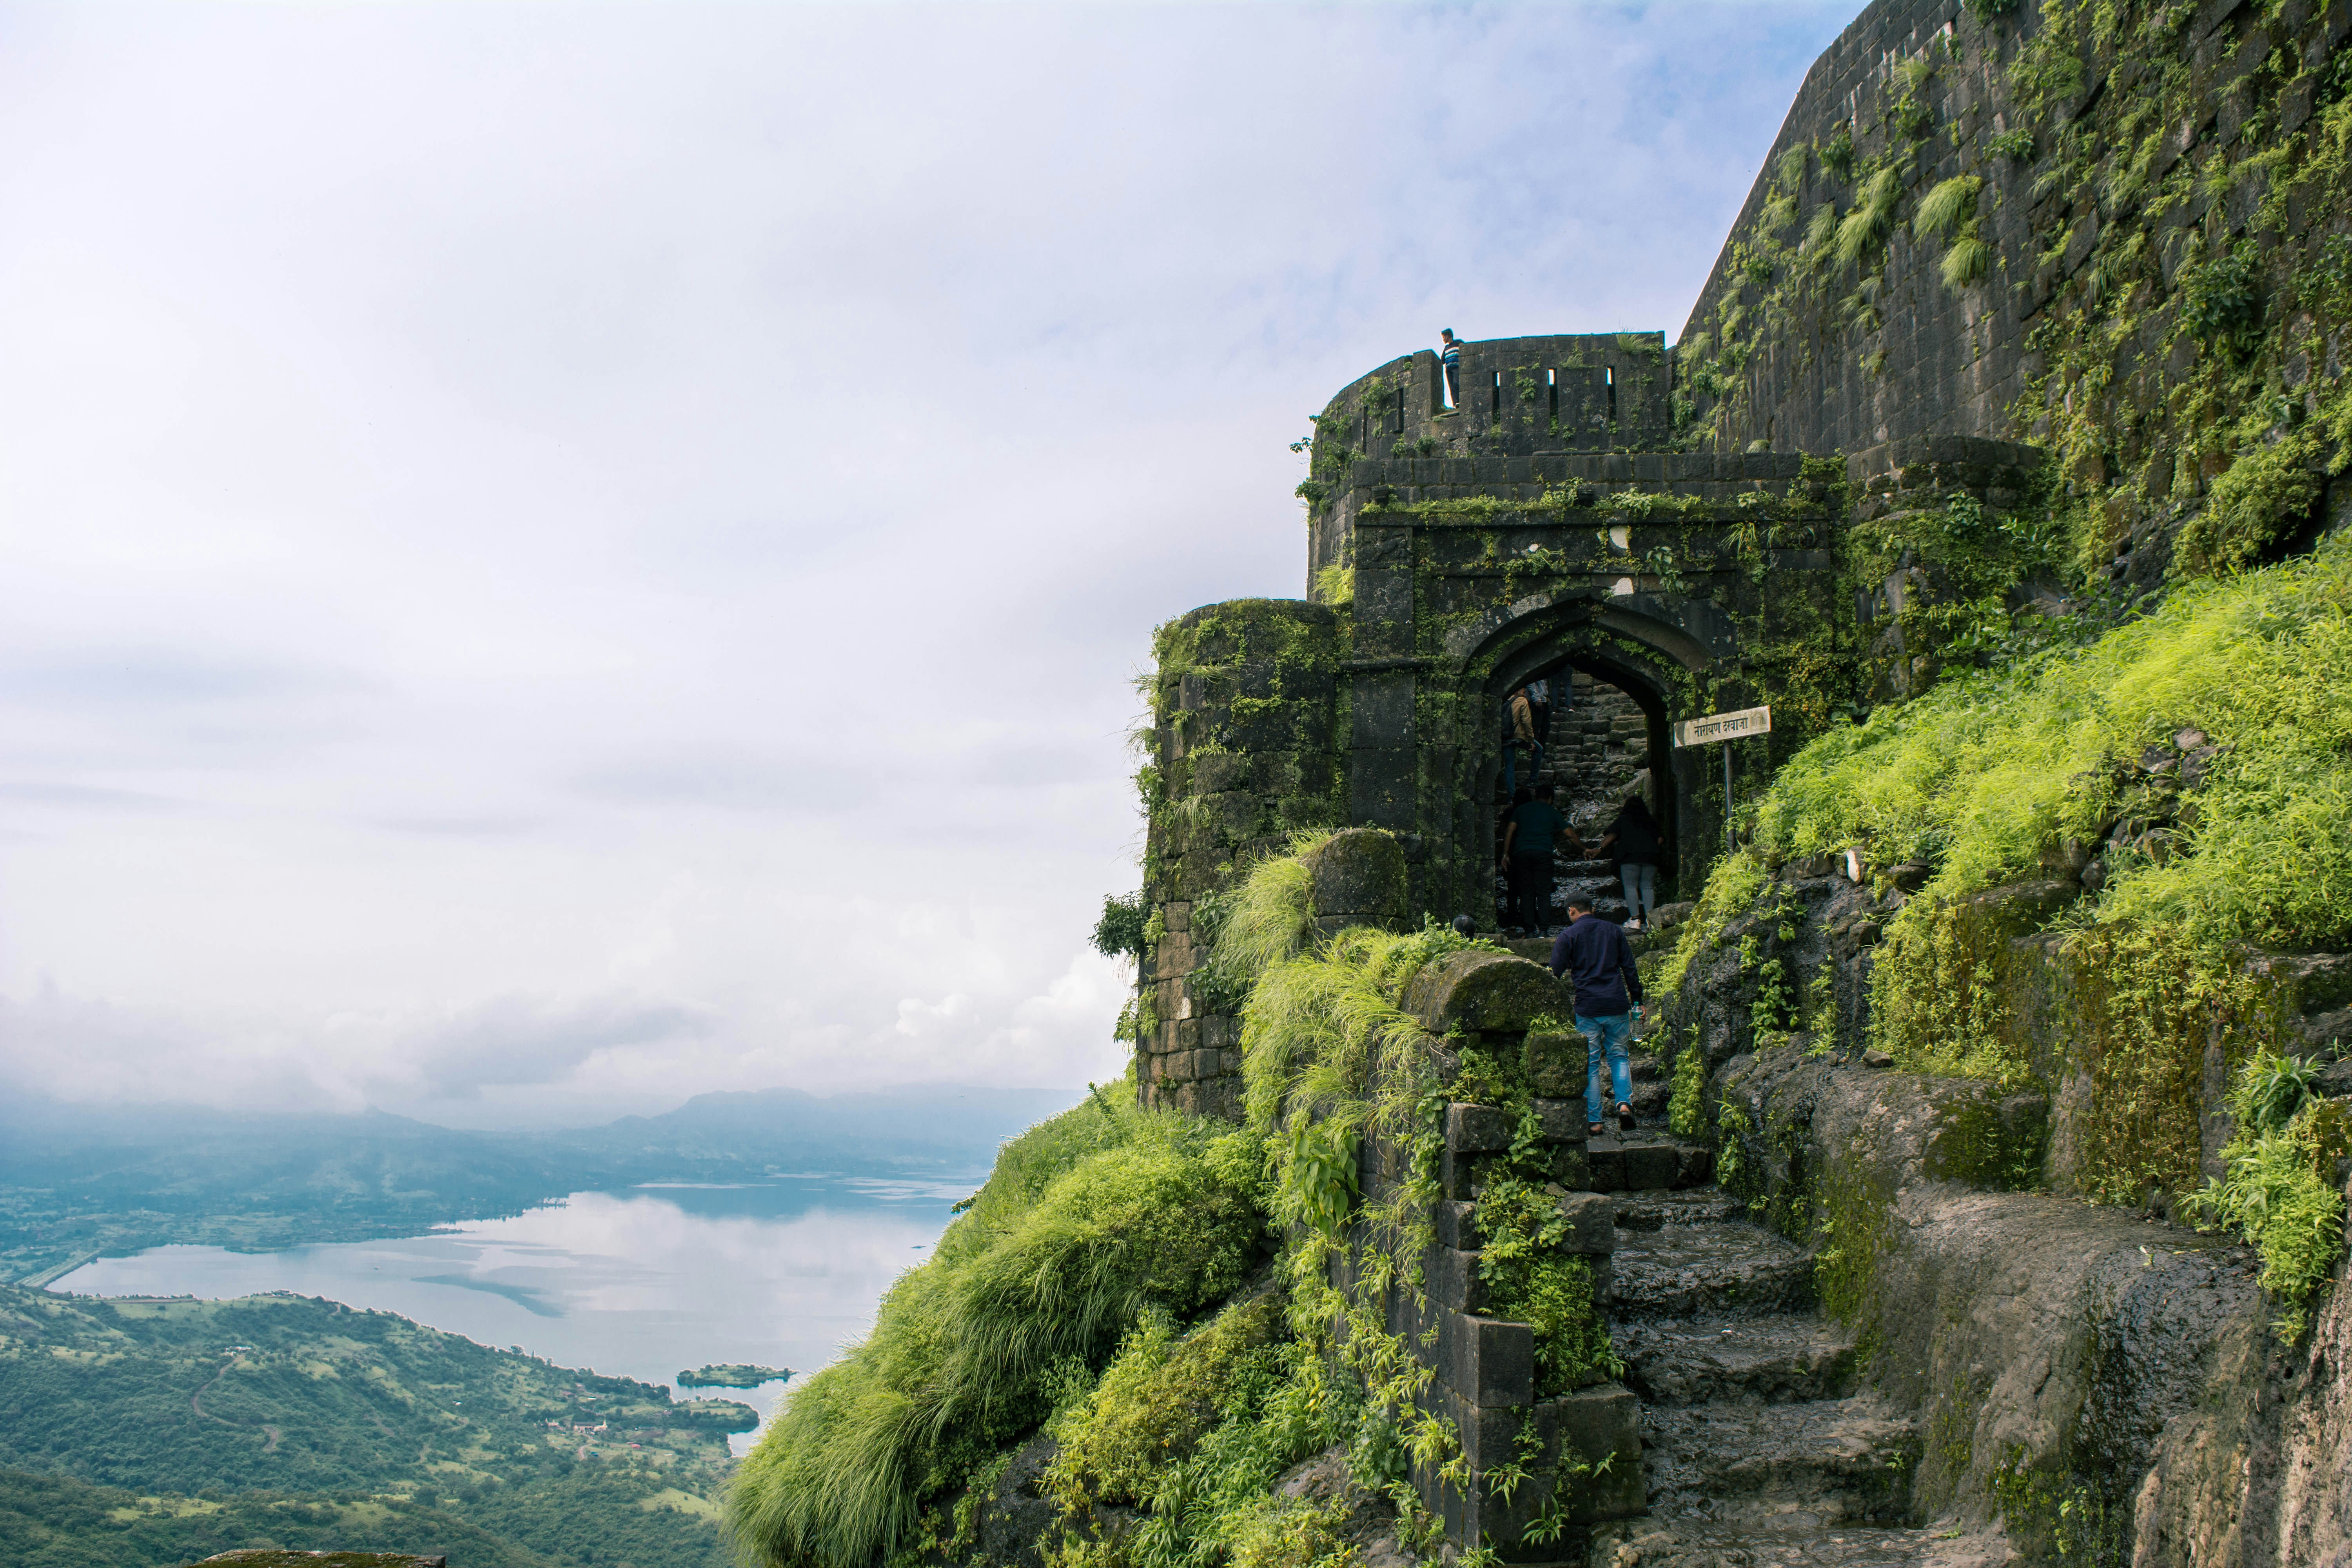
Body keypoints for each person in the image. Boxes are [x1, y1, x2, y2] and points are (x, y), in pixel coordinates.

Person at [1548, 894, 1644, 1134]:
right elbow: (1629, 968)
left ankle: (1595, 1122)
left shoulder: (1568, 936)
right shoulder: (1614, 931)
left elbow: (1554, 974)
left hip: (1588, 1008)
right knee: (1619, 1057)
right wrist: (1638, 1001)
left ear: (1572, 911)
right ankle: (1624, 1105)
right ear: (1593, 908)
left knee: (1591, 1064)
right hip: (1616, 1004)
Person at [1501, 781, 1570, 934]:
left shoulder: (1521, 810)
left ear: (1536, 796)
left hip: (1522, 854)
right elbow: (1569, 834)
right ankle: (1544, 931)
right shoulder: (1552, 812)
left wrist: (1506, 854)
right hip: (1543, 854)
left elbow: (1509, 831)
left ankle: (1529, 930)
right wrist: (1585, 848)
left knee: (1527, 892)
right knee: (1544, 892)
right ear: (1551, 798)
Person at [1593, 792, 1664, 931]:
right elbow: (1661, 839)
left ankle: (1635, 920)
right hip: (1651, 857)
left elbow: (1612, 835)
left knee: (1631, 887)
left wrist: (1599, 849)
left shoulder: (1623, 820)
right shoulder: (1650, 820)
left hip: (1629, 857)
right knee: (1648, 887)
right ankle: (1651, 921)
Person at [1439, 328, 1463, 409]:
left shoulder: (1458, 343)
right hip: (1448, 370)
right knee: (1452, 387)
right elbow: (1442, 360)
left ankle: (1460, 401)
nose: (1443, 340)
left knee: (1456, 383)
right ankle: (1455, 404)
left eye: (1443, 337)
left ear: (1448, 336)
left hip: (1456, 368)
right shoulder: (1446, 348)